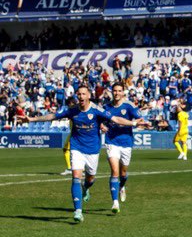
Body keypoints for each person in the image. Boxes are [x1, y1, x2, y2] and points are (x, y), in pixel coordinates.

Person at [23, 87, 137, 223]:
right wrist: (31, 119)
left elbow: (116, 119)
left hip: (93, 150)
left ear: (88, 95)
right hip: (76, 147)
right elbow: (53, 116)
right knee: (76, 177)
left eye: (84, 94)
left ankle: (86, 188)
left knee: (90, 179)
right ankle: (78, 211)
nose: (81, 96)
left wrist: (133, 123)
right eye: (79, 94)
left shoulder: (96, 110)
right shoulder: (73, 110)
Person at [102, 84, 149, 212]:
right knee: (115, 171)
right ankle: (115, 203)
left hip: (126, 142)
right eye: (115, 91)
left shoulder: (129, 106)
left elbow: (139, 118)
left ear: (123, 92)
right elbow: (99, 120)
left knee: (123, 173)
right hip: (111, 142)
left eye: (119, 91)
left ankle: (122, 186)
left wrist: (143, 122)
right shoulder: (106, 107)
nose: (117, 93)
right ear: (112, 92)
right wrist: (102, 125)